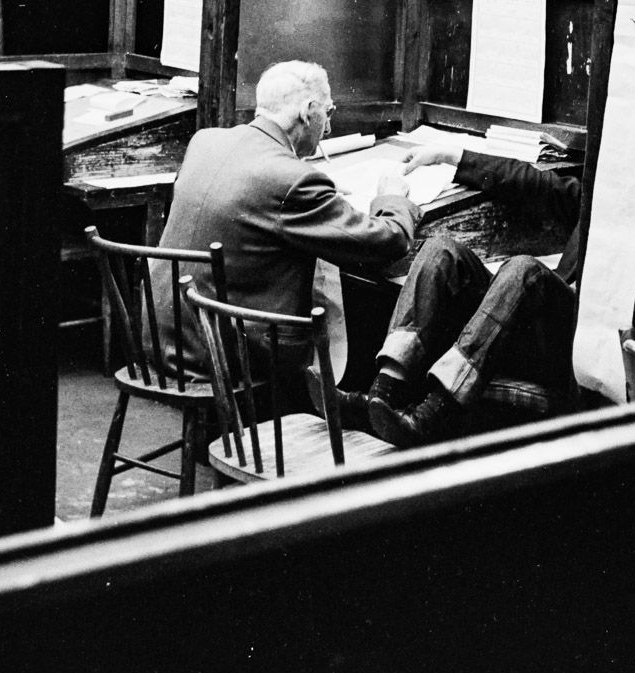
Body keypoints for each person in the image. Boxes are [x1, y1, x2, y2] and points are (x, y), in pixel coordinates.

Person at [154, 60, 420, 383]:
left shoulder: (205, 142)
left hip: (162, 336)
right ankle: (346, 415)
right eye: (329, 113)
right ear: (309, 111)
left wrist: (320, 198)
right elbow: (388, 241)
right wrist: (392, 198)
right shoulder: (294, 180)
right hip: (223, 354)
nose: (329, 128)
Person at [347, 136, 583, 449]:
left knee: (524, 270)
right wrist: (449, 156)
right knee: (440, 251)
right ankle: (383, 394)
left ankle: (435, 414)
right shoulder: (604, 193)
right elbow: (531, 182)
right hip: (535, 324)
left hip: (575, 336)